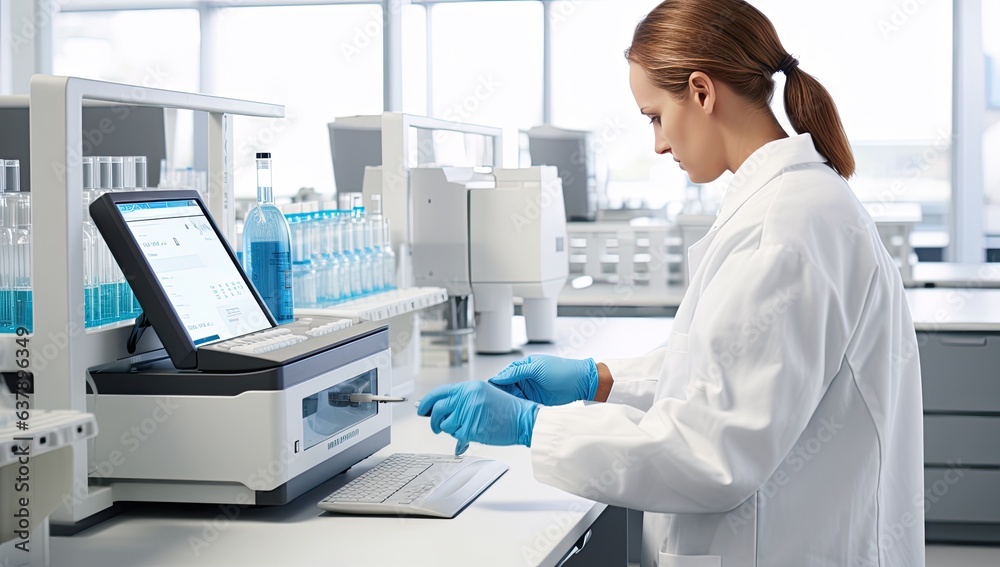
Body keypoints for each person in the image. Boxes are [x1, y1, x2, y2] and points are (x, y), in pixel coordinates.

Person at [417, 0, 925, 565]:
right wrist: (599, 379)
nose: (658, 144)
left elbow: (713, 452)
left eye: (655, 116)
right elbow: (730, 366)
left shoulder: (786, 226)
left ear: (702, 92)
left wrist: (533, 427)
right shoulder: (786, 206)